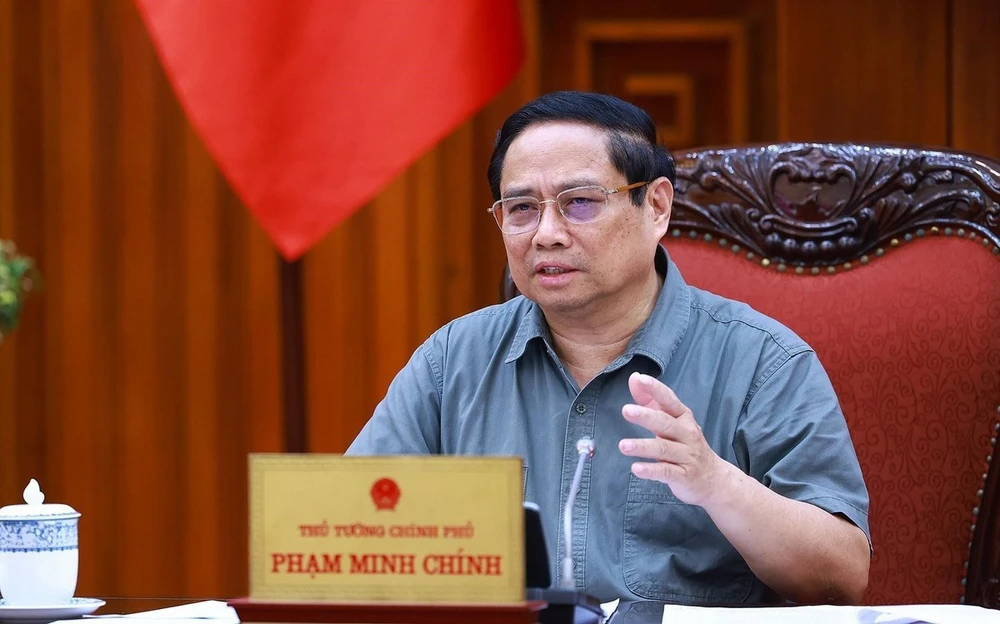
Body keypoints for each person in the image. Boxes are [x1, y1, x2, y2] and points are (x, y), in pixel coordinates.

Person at [346, 91, 871, 605]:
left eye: (579, 203)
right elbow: (349, 540)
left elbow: (840, 576)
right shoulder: (453, 362)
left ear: (657, 207)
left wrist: (716, 484)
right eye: (522, 208)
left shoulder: (763, 362)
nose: (546, 234)